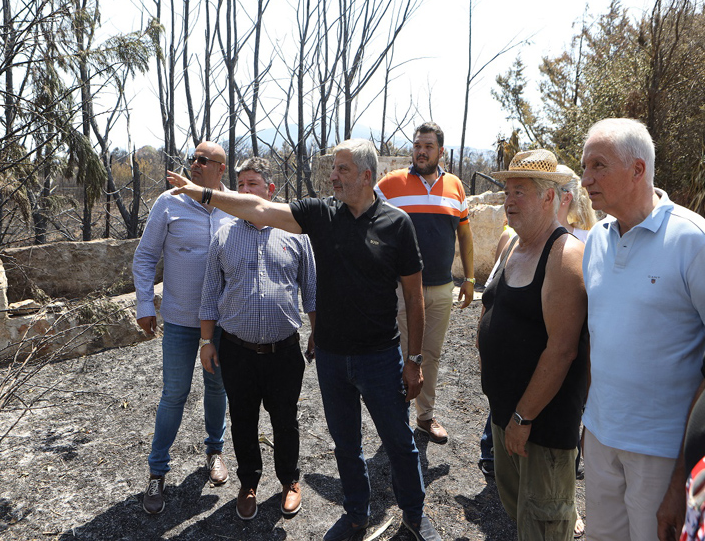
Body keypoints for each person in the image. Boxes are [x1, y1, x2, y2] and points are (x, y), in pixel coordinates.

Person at [167, 139, 441, 541]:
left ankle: (415, 517)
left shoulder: (396, 223)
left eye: (342, 169)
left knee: (399, 442)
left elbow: (415, 297)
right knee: (346, 445)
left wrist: (414, 360)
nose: (333, 176)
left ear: (366, 175)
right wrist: (203, 193)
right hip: (332, 359)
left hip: (381, 357)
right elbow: (259, 209)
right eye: (333, 168)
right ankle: (356, 516)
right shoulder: (321, 214)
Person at [580, 118, 705, 541]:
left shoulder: (693, 240)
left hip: (662, 454)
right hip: (600, 441)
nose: (586, 179)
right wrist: (590, 424)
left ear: (637, 169)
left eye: (598, 166)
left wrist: (682, 476)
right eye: (584, 166)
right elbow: (599, 337)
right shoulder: (597, 239)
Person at [198, 157, 317, 521]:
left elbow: (312, 291)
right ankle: (248, 483)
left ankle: (289, 481)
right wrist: (206, 341)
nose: (245, 190)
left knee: (285, 420)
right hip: (238, 351)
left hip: (284, 351)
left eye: (253, 184)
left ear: (271, 190)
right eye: (240, 185)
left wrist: (317, 332)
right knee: (243, 420)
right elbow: (209, 293)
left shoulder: (297, 234)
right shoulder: (223, 236)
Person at [477, 149, 588, 539]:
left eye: (520, 191)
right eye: (507, 191)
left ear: (548, 197)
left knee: (543, 525)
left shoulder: (564, 255)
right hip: (507, 417)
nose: (509, 200)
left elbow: (562, 350)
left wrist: (522, 419)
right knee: (519, 514)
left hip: (540, 428)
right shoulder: (514, 245)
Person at [132, 141, 234, 515]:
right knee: (174, 393)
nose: (195, 164)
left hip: (221, 322)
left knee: (217, 387)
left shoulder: (233, 205)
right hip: (178, 319)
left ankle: (214, 451)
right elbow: (145, 256)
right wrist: (145, 304)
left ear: (221, 168)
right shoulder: (169, 202)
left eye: (204, 160)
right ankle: (157, 471)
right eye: (193, 158)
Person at [375, 121, 475, 445]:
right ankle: (397, 419)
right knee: (402, 354)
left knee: (430, 355)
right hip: (402, 289)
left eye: (428, 146)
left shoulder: (455, 186)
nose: (421, 152)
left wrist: (470, 278)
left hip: (443, 288)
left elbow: (465, 234)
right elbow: (365, 219)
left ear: (440, 151)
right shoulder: (391, 184)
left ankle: (425, 417)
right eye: (417, 145)